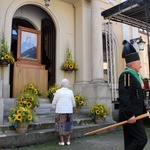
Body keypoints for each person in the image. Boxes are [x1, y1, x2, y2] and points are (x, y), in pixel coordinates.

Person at [118, 40, 148, 150]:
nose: (140, 66)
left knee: (130, 140)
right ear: (133, 64)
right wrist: (129, 114)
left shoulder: (133, 75)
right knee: (141, 139)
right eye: (139, 64)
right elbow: (124, 97)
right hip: (131, 116)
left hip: (136, 115)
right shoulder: (126, 75)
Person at [52, 79, 76, 146]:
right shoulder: (70, 92)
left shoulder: (58, 91)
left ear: (61, 84)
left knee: (60, 126)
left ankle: (62, 141)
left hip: (60, 111)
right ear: (67, 84)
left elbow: (54, 101)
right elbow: (73, 102)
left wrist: (53, 106)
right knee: (69, 125)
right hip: (68, 110)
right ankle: (68, 141)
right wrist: (73, 106)